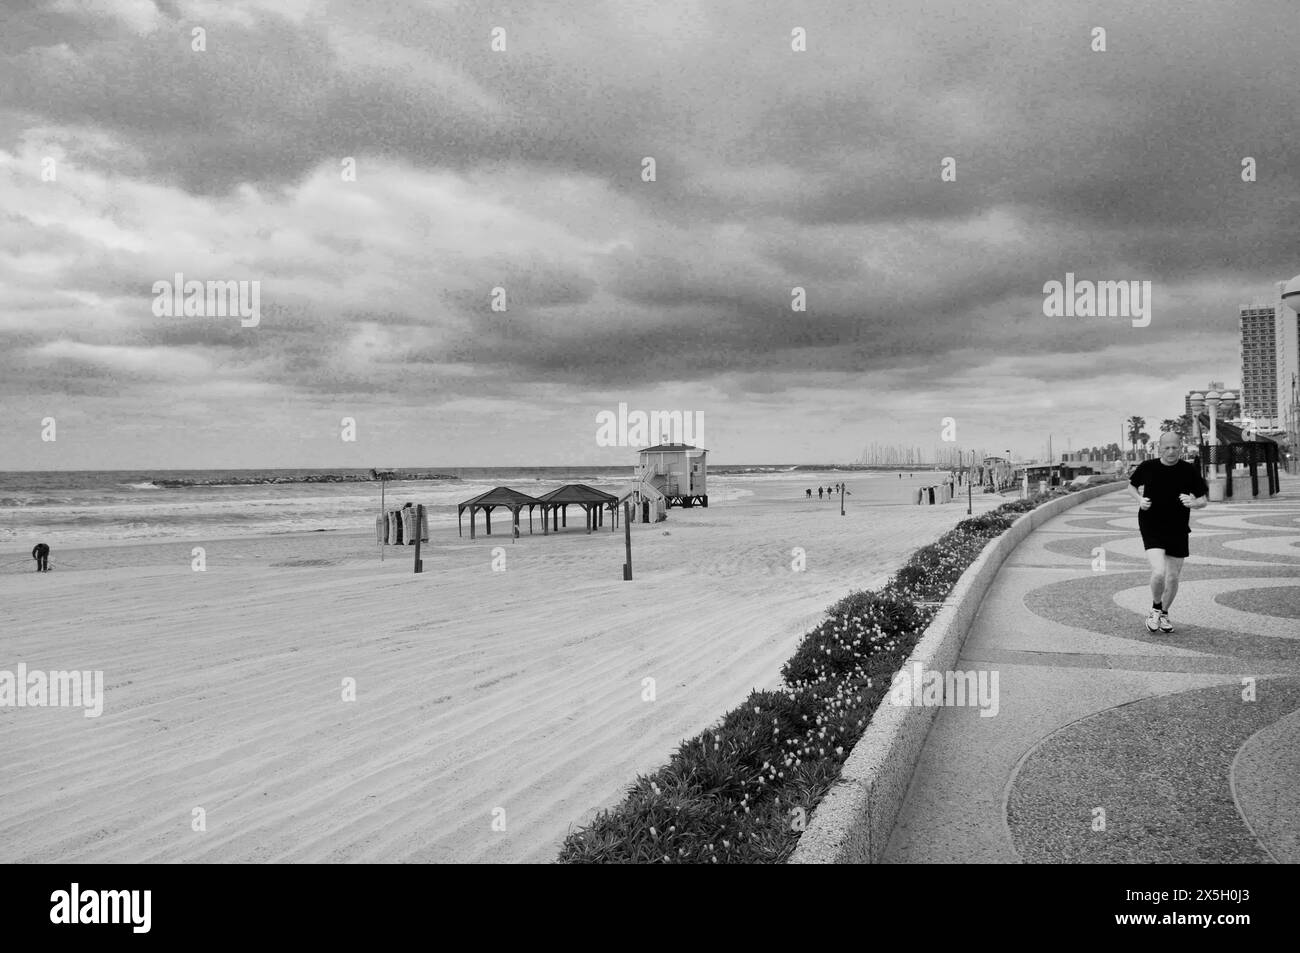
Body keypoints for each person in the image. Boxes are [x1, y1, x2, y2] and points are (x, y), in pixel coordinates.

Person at [1127, 432, 1209, 633]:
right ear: (1159, 448)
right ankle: (1155, 608)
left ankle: (1164, 613)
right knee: (1159, 572)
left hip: (1178, 527)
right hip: (1151, 524)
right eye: (1167, 448)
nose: (1171, 451)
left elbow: (1203, 499)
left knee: (1172, 577)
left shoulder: (1188, 470)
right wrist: (1139, 500)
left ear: (1180, 447)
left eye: (1175, 447)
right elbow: (1131, 486)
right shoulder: (1148, 467)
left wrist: (1194, 503)